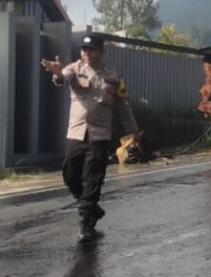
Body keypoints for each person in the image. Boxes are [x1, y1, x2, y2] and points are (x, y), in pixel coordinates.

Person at [40, 35, 140, 242]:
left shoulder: (113, 77)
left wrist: (134, 132)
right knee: (70, 175)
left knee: (93, 178)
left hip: (100, 136)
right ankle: (92, 207)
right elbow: (62, 78)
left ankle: (86, 223)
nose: (87, 53)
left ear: (102, 52)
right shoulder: (74, 69)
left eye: (92, 49)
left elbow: (123, 107)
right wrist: (58, 73)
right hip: (76, 133)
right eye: (84, 49)